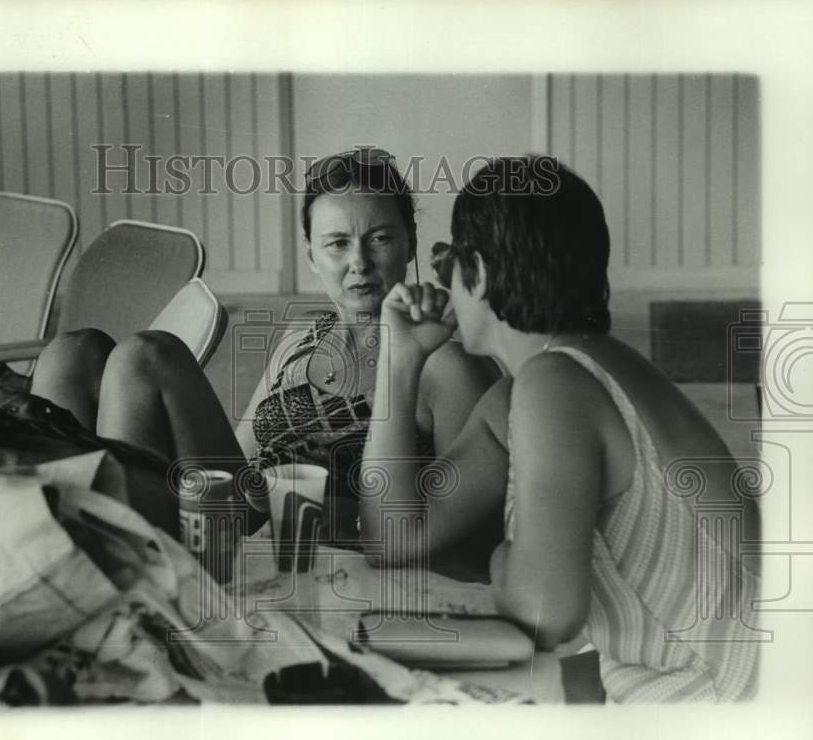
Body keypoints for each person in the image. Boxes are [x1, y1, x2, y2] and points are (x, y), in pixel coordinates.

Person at [360, 155, 761, 702]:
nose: (442, 280)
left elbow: (546, 616)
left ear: (477, 271)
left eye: (447, 259)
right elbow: (392, 536)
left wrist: (503, 558)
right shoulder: (541, 382)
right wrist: (400, 361)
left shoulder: (557, 383)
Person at [28, 148, 502, 536]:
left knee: (146, 356)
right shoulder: (300, 340)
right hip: (246, 516)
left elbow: (464, 524)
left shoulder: (445, 365)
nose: (358, 262)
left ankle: (101, 557)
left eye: (379, 239)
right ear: (312, 256)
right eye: (337, 243)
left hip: (319, 545)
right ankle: (44, 542)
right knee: (72, 353)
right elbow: (241, 466)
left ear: (410, 243)